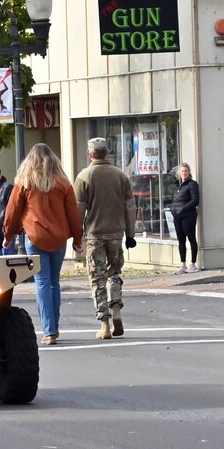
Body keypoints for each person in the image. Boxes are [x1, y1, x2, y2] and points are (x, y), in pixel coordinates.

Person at [2, 143, 83, 346]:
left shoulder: (25, 181)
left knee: (42, 282)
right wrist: (78, 238)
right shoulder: (63, 183)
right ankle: (53, 327)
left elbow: (12, 212)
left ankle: (49, 330)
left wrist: (8, 235)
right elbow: (73, 214)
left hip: (34, 236)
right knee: (54, 282)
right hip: (59, 238)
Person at [73, 137, 134, 339]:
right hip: (116, 233)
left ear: (91, 154)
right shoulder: (121, 176)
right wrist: (130, 234)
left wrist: (76, 236)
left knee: (97, 279)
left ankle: (105, 323)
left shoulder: (84, 177)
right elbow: (130, 207)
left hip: (95, 235)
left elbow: (78, 211)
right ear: (106, 152)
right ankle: (116, 309)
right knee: (114, 274)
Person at [169, 163, 200, 270]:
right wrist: (173, 209)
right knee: (181, 240)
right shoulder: (179, 186)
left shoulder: (192, 184)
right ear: (179, 173)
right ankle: (183, 264)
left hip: (188, 215)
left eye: (186, 171)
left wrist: (183, 209)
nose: (184, 173)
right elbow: (175, 200)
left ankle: (193, 264)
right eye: (182, 171)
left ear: (189, 172)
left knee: (191, 238)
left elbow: (195, 200)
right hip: (177, 216)